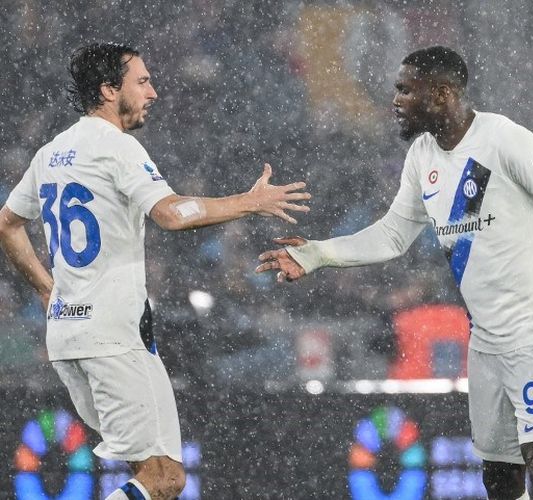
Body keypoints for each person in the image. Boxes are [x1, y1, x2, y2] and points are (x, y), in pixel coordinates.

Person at [256, 46, 533, 500]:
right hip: (487, 339)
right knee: (499, 477)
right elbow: (394, 235)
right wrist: (316, 254)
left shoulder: (503, 138)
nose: (395, 100)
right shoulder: (422, 155)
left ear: (440, 93)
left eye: (405, 90)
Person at [0, 43, 310, 500]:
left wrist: (48, 290)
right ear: (109, 90)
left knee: (153, 473)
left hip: (68, 336)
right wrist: (250, 202)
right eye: (142, 82)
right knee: (165, 480)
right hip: (112, 336)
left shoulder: (52, 152)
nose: (154, 92)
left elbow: (8, 223)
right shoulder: (119, 148)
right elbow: (170, 214)